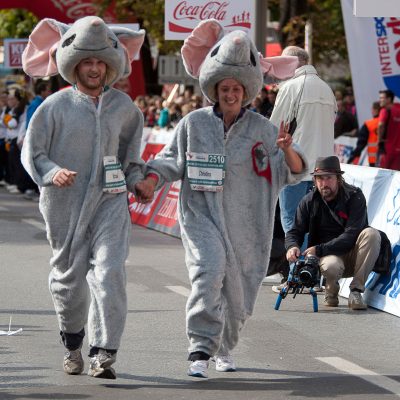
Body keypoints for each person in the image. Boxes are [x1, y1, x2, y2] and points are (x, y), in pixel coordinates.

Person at [135, 19, 304, 378]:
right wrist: (150, 179)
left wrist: (286, 150)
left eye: (237, 90)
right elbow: (169, 160)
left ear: (246, 92)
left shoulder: (263, 129)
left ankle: (224, 348)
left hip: (248, 227)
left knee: (239, 297)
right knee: (208, 274)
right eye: (225, 88)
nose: (230, 95)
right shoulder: (194, 124)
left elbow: (293, 170)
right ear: (215, 88)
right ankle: (199, 347)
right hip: (202, 219)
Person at [21, 16, 145, 379]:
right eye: (87, 62)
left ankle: (103, 351)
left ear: (110, 64)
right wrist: (51, 172)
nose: (94, 68)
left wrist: (138, 181)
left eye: (99, 62)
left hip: (110, 202)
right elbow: (33, 152)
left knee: (109, 273)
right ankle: (73, 343)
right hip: (63, 205)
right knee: (68, 280)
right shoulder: (54, 107)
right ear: (75, 64)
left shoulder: (125, 108)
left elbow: (131, 160)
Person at [269, 46, 337, 292]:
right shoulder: (326, 89)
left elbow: (275, 128)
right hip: (324, 170)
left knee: (293, 223)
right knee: (314, 225)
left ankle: (297, 277)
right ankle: (312, 278)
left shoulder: (291, 87)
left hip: (296, 166)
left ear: (291, 63)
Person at [285, 156, 381, 310]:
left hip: (354, 254)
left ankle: (356, 292)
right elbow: (295, 231)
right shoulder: (308, 201)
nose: (324, 183)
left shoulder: (354, 196)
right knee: (331, 266)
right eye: (319, 179)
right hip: (329, 258)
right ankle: (331, 291)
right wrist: (292, 246)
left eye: (328, 178)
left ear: (338, 178)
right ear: (315, 181)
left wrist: (319, 249)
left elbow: (352, 234)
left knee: (372, 234)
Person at [348, 101, 380, 166]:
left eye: (372, 109)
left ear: (375, 110)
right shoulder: (392, 123)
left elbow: (360, 145)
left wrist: (352, 158)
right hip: (390, 159)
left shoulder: (369, 124)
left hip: (374, 160)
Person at [377, 89, 400, 170]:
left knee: (383, 174)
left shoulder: (384, 111)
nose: (380, 100)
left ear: (389, 99)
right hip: (398, 151)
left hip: (386, 150)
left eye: (382, 98)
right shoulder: (398, 108)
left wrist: (379, 140)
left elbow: (380, 125)